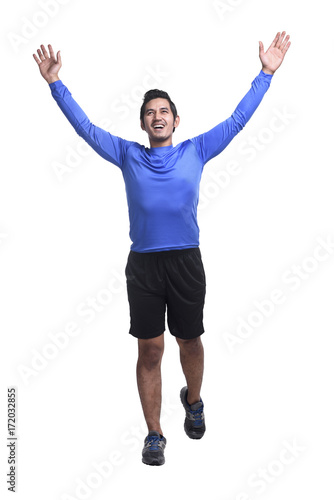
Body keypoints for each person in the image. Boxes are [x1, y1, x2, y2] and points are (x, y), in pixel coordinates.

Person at [33, 31, 291, 466]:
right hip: (145, 267)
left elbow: (237, 120)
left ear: (175, 120)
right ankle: (154, 434)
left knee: (189, 341)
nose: (157, 117)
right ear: (142, 123)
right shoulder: (127, 154)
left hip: (186, 262)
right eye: (150, 112)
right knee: (150, 350)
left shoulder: (196, 150)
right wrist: (56, 84)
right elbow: (84, 127)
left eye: (164, 112)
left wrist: (265, 74)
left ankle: (193, 399)